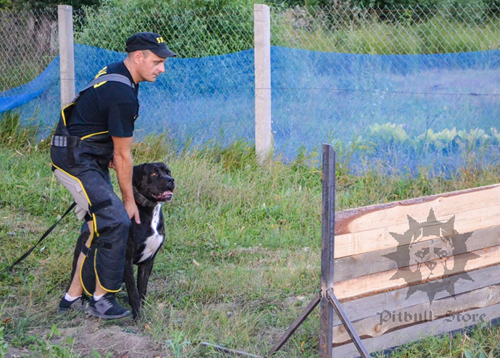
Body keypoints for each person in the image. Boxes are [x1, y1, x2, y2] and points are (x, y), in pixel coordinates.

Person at [50, 32, 176, 319]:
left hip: (85, 153)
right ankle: (102, 298)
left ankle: (71, 298)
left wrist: (100, 148)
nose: (162, 68)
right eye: (157, 61)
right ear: (138, 57)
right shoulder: (122, 95)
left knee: (95, 227)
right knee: (117, 220)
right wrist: (129, 200)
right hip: (75, 159)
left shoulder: (118, 73)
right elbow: (122, 156)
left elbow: (92, 118)